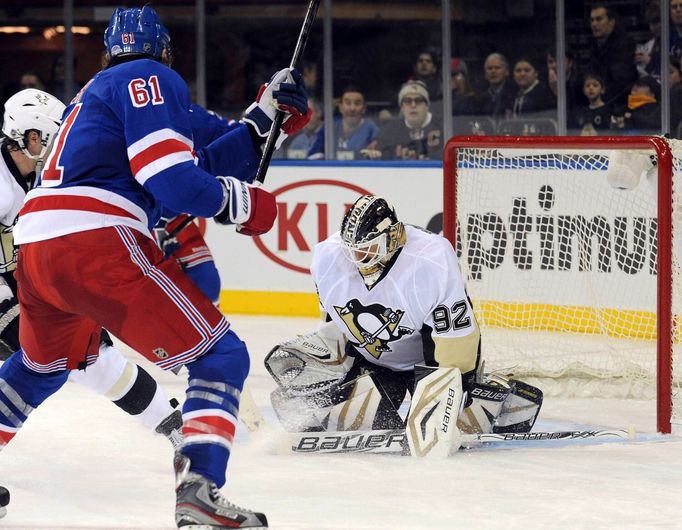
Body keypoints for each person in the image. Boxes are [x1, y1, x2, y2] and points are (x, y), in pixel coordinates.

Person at [1, 6, 310, 529]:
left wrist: (267, 120)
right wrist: (244, 204)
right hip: (94, 241)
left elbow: (203, 162)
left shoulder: (99, 94)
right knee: (222, 355)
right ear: (165, 51)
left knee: (40, 367)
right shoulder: (150, 78)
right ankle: (200, 489)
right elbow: (172, 182)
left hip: (36, 248)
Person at [264, 195, 543, 453]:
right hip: (376, 358)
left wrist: (448, 394)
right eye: (353, 251)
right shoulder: (329, 256)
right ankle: (373, 396)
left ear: (392, 238)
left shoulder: (431, 259)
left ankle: (498, 397)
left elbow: (457, 343)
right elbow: (335, 322)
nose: (358, 259)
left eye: (369, 249)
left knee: (445, 430)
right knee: (363, 419)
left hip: (431, 360)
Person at [364, 81, 442, 160]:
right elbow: (368, 152)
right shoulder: (389, 130)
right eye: (408, 101)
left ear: (427, 105)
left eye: (418, 100)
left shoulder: (444, 126)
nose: (413, 105)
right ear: (401, 107)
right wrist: (372, 154)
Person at [584, 4, 637, 107]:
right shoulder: (594, 44)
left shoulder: (624, 43)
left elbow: (620, 81)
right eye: (592, 20)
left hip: (619, 103)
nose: (594, 24)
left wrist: (599, 100)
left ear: (612, 22)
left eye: (599, 19)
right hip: (599, 100)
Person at [307, 85, 378, 160]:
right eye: (348, 103)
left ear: (364, 108)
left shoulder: (372, 130)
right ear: (340, 107)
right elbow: (314, 155)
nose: (352, 108)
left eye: (357, 103)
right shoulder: (330, 128)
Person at [474, 52, 517, 120]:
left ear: (506, 72)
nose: (493, 71)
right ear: (485, 74)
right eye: (489, 68)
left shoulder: (515, 95)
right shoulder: (479, 98)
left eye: (497, 68)